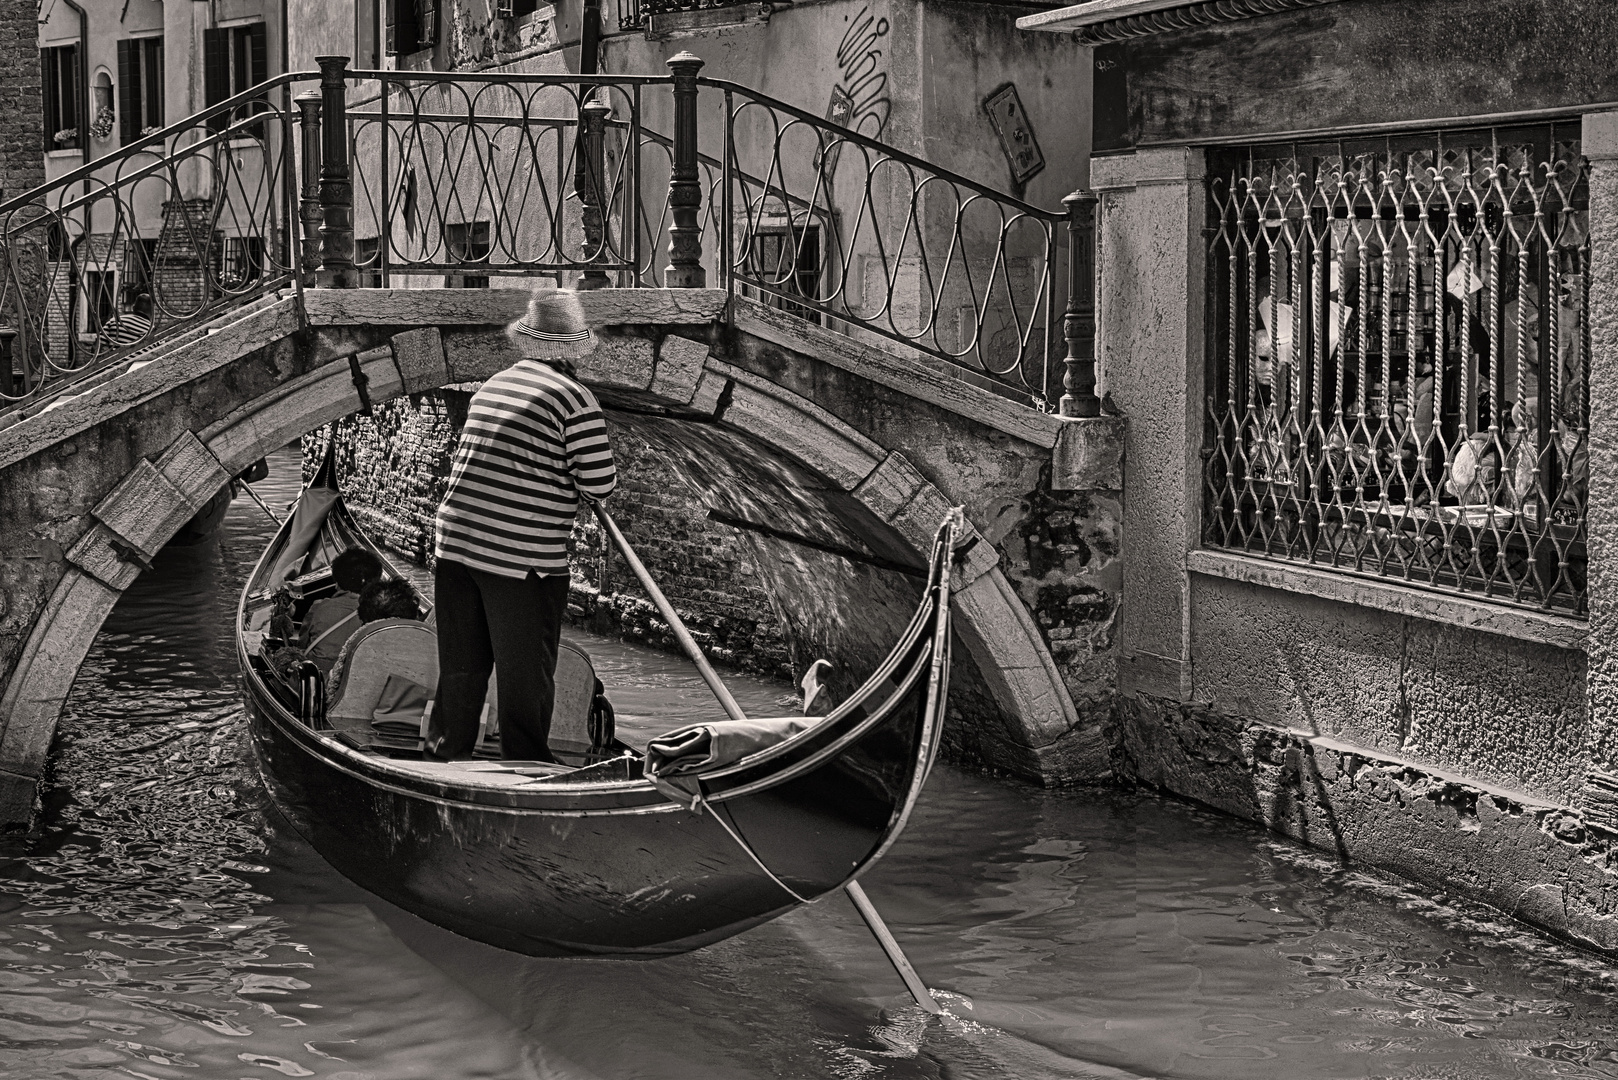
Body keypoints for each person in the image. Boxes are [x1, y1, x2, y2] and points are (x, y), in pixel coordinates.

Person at [428, 288, 616, 763]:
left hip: (453, 546)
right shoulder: (574, 400)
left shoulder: (494, 384)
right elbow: (599, 482)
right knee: (525, 673)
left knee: (462, 667)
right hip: (521, 558)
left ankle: (448, 752)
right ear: (574, 352)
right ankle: (525, 761)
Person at [302, 548, 384, 677]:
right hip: (356, 678)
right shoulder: (380, 614)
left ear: (337, 582)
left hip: (319, 680)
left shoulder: (319, 607)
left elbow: (302, 645)